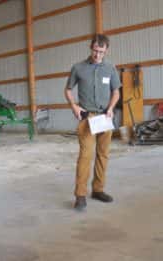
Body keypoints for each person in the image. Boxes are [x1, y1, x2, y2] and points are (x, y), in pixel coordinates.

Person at [64, 34, 121, 211]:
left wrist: (111, 108)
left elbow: (116, 92)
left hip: (105, 117)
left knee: (103, 155)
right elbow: (67, 90)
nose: (97, 55)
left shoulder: (111, 68)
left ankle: (98, 190)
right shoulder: (78, 68)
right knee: (85, 156)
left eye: (101, 51)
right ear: (91, 48)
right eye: (95, 50)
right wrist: (74, 106)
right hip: (87, 118)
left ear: (106, 50)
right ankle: (80, 195)